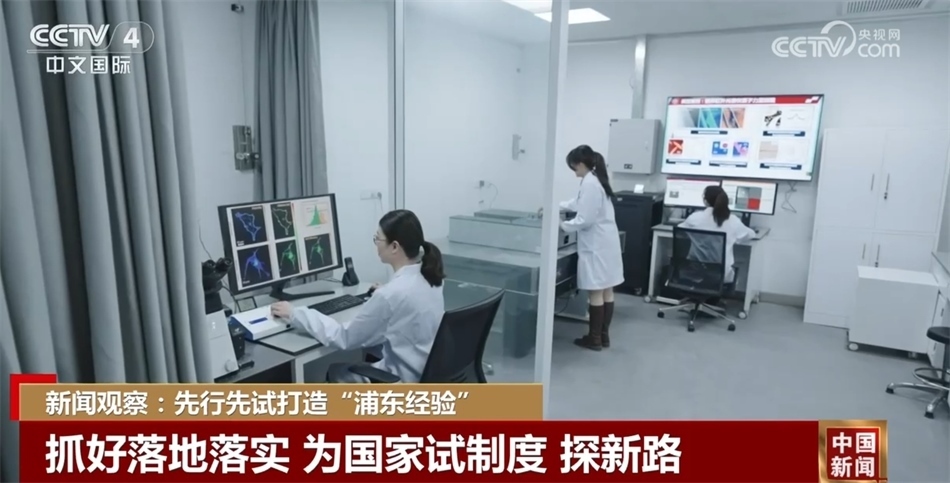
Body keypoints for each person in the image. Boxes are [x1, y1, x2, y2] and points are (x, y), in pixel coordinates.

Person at [270, 209, 445, 383]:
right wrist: (386, 292)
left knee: (338, 371)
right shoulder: (431, 279)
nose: (376, 244)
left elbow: (343, 337)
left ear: (394, 247)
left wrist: (295, 314)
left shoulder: (390, 295)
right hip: (425, 376)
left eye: (378, 239)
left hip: (401, 384)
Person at [558, 145, 624, 351]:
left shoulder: (590, 183)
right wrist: (557, 205)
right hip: (607, 243)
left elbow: (584, 219)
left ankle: (594, 339)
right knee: (607, 291)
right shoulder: (597, 180)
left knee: (595, 292)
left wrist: (561, 225)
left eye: (573, 166)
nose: (573, 171)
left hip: (596, 246)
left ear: (580, 163)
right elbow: (579, 203)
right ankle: (603, 336)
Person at [679, 185, 756, 291]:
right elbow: (751, 235)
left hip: (695, 271)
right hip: (720, 275)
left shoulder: (694, 218)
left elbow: (679, 230)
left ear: (705, 201)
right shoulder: (732, 220)